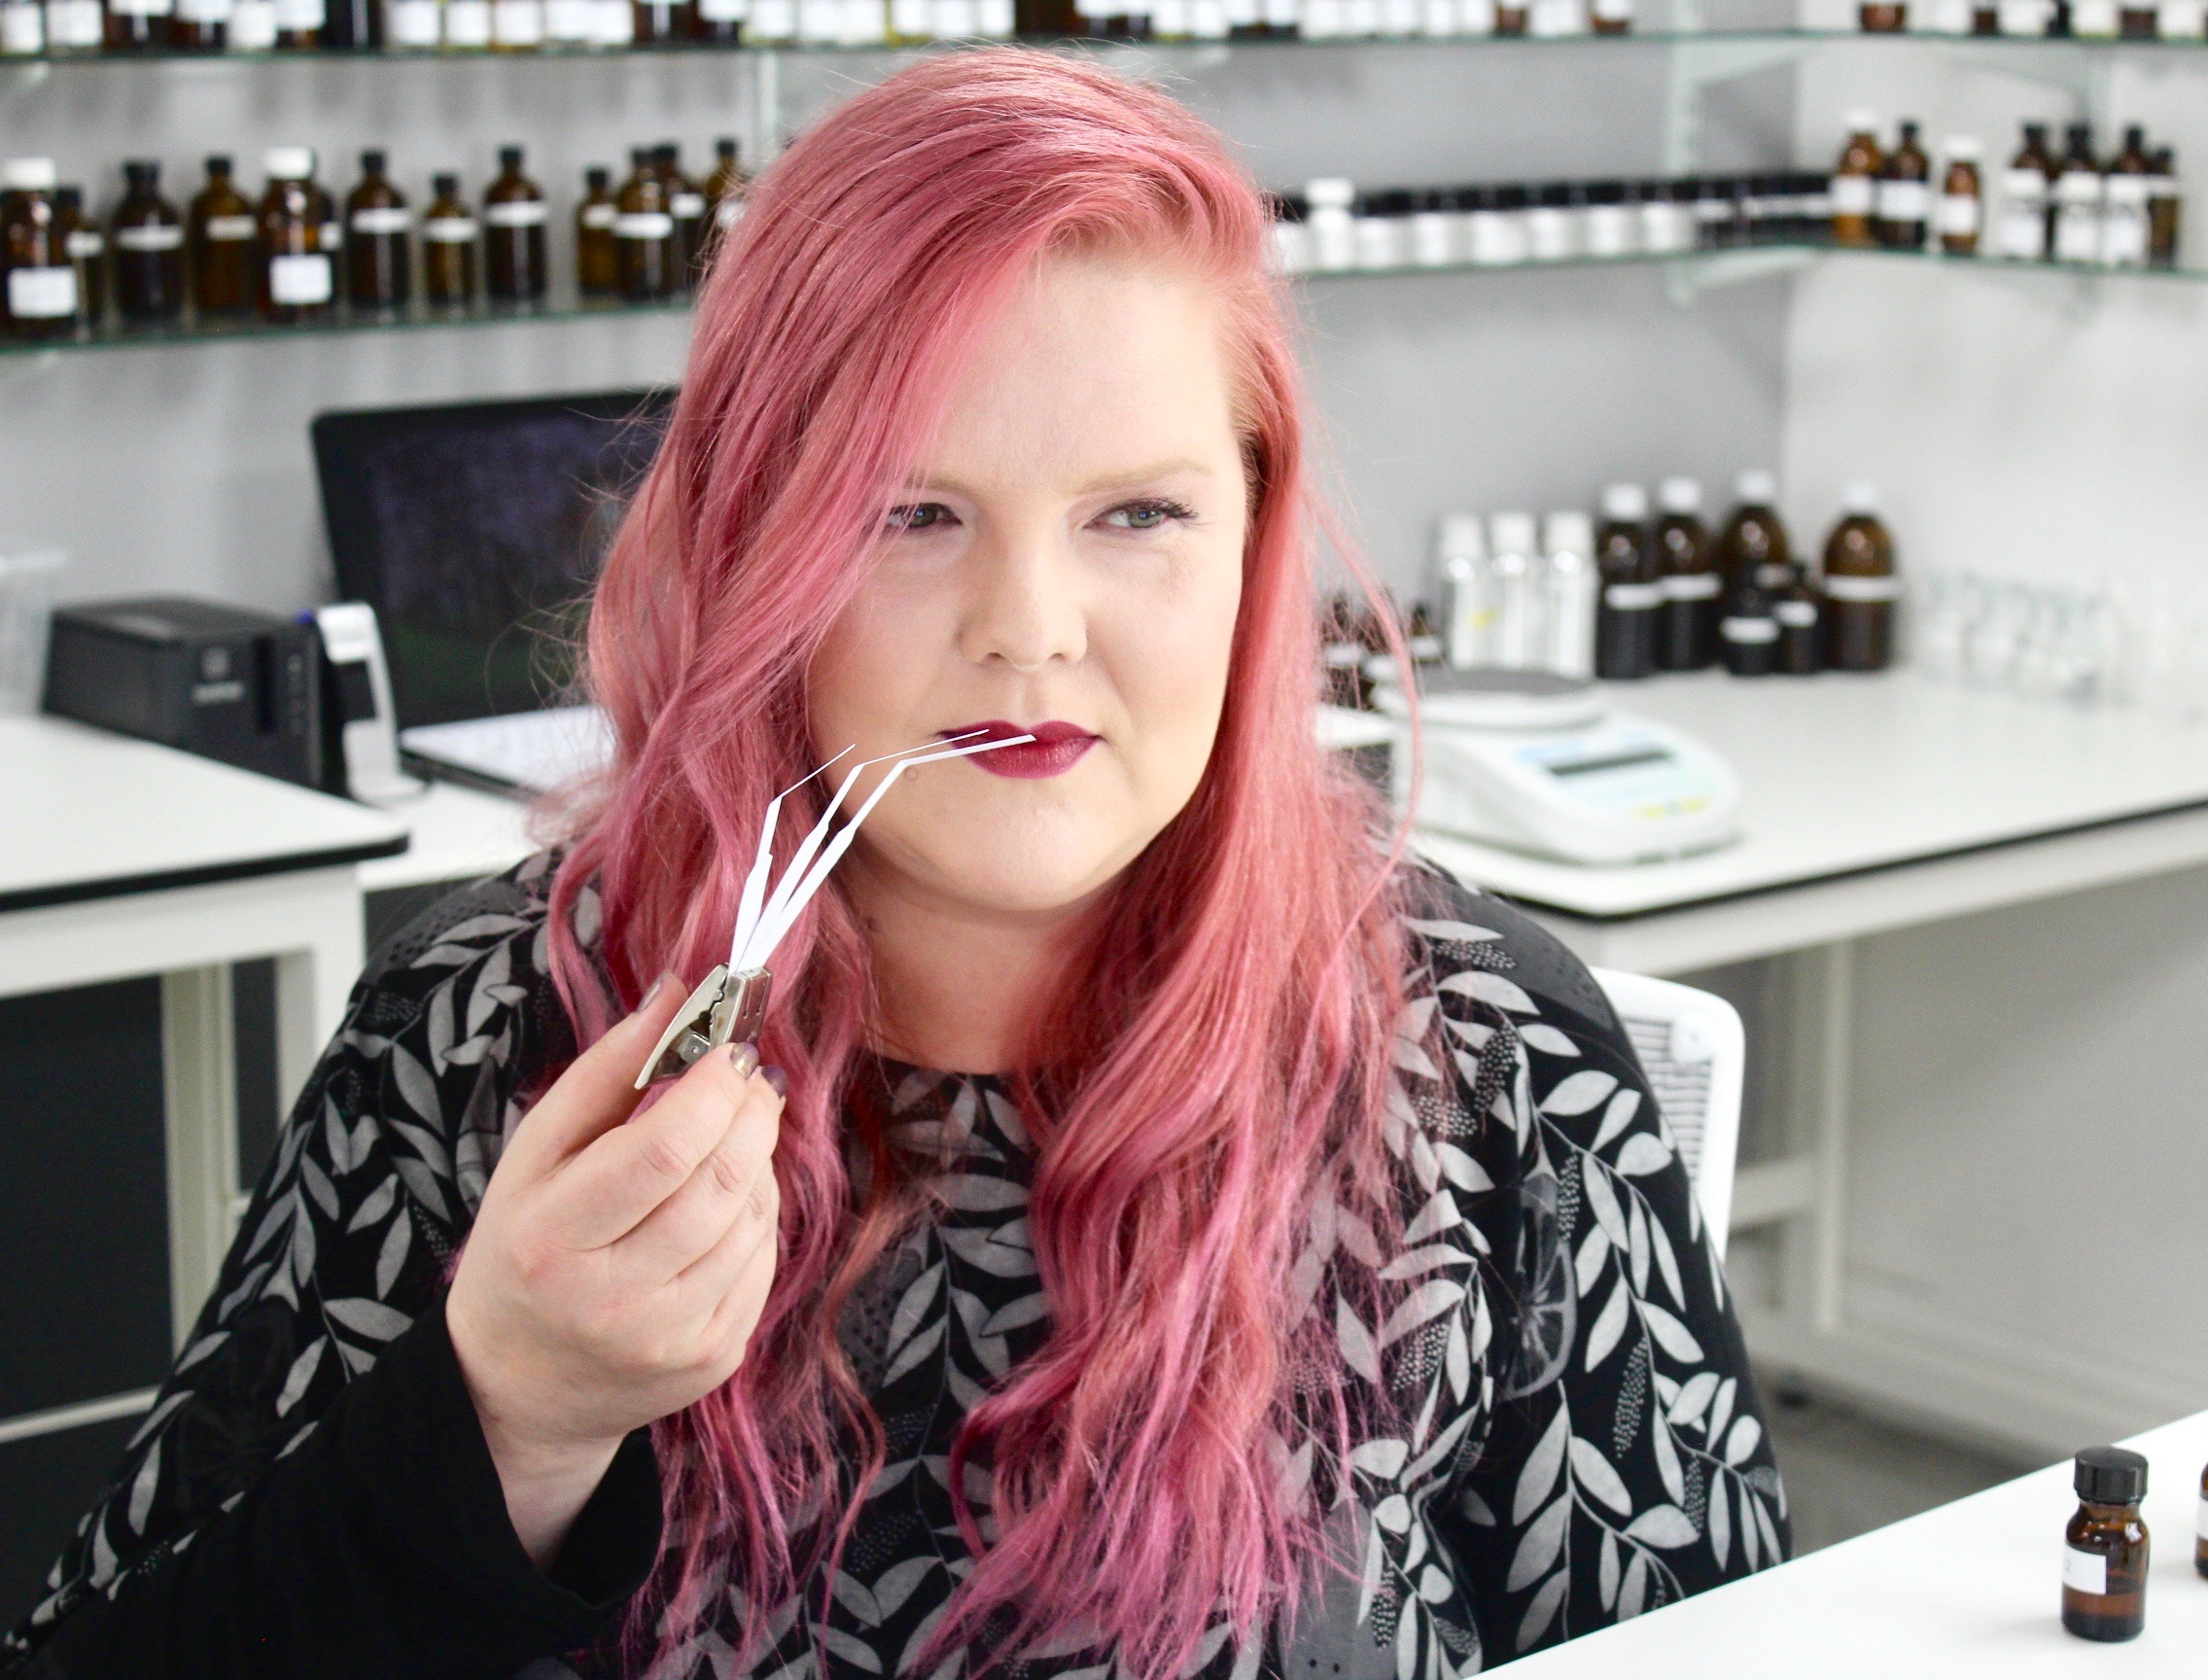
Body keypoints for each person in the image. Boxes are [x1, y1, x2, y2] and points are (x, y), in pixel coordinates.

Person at [1, 52, 1787, 1680]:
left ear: (1254, 545)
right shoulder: (484, 1036)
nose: (1028, 632)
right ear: (754, 545)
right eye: (909, 517)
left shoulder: (1491, 1069)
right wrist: (511, 1420)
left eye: (1139, 515)